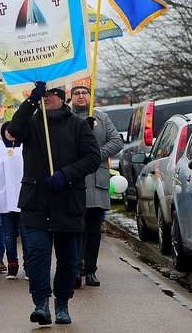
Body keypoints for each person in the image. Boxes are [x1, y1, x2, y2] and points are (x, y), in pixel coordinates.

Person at [8, 82, 100, 325]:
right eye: (43, 96)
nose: (46, 99)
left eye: (50, 95)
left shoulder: (78, 125)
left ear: (62, 98)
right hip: (36, 202)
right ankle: (40, 303)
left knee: (68, 259)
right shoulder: (33, 122)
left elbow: (92, 158)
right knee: (37, 255)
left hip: (68, 203)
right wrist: (30, 100)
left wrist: (66, 174)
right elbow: (15, 128)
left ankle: (62, 303)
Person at [69, 79, 123, 288]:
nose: (81, 96)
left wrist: (95, 154)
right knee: (75, 229)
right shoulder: (66, 118)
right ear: (71, 97)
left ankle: (90, 269)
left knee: (93, 230)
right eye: (77, 93)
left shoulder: (102, 117)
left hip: (97, 182)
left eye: (85, 92)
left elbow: (116, 141)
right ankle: (74, 268)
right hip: (74, 182)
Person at [0, 121, 29, 279]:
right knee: (9, 234)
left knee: (25, 234)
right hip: (4, 197)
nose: (10, 133)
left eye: (14, 130)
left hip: (24, 197)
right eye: (7, 131)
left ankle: (28, 264)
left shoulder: (26, 146)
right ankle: (12, 264)